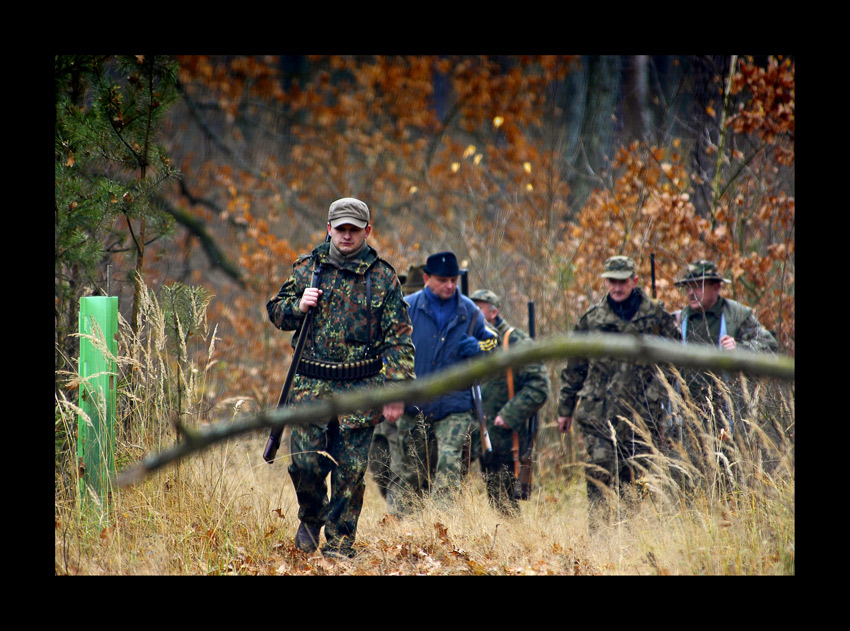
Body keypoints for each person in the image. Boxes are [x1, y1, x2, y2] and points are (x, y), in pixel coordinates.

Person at [266, 197, 415, 559]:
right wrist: (299, 306)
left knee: (349, 473)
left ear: (367, 230)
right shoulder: (306, 269)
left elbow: (399, 338)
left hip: (361, 387)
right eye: (341, 228)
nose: (346, 236)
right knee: (306, 463)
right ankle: (312, 516)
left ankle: (340, 545)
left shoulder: (383, 277)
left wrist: (396, 389)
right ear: (328, 228)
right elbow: (276, 311)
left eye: (354, 229)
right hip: (310, 385)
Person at [557, 255, 680, 518]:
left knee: (634, 476)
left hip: (641, 413)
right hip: (597, 412)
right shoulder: (591, 320)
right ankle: (600, 536)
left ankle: (628, 538)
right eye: (612, 281)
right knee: (600, 467)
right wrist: (565, 409)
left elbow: (676, 360)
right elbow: (575, 367)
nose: (617, 287)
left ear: (634, 281)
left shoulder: (656, 316)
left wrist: (661, 393)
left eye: (622, 281)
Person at [385, 251, 497, 515]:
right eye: (443, 280)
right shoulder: (407, 307)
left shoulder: (469, 311)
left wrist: (479, 347)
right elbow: (388, 347)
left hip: (455, 404)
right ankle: (403, 531)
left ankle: (442, 529)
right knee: (412, 473)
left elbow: (493, 342)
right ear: (426, 278)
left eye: (453, 280)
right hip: (415, 404)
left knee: (449, 466)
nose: (449, 286)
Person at [672, 260, 778, 436]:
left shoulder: (736, 314)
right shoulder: (679, 319)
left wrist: (740, 348)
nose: (691, 293)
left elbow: (770, 346)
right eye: (688, 288)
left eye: (697, 286)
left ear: (715, 287)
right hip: (688, 419)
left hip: (730, 419)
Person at [470, 289, 550, 515]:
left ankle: (514, 544)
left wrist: (509, 415)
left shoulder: (515, 341)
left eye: (480, 308)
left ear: (494, 312)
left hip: (503, 436)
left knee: (503, 503)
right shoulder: (468, 340)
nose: (473, 312)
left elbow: (539, 386)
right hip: (469, 432)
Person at [369, 262, 428, 499]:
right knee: (378, 463)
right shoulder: (389, 315)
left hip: (412, 405)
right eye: (408, 291)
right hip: (380, 398)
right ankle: (395, 507)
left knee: (405, 467)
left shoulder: (422, 321)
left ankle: (401, 515)